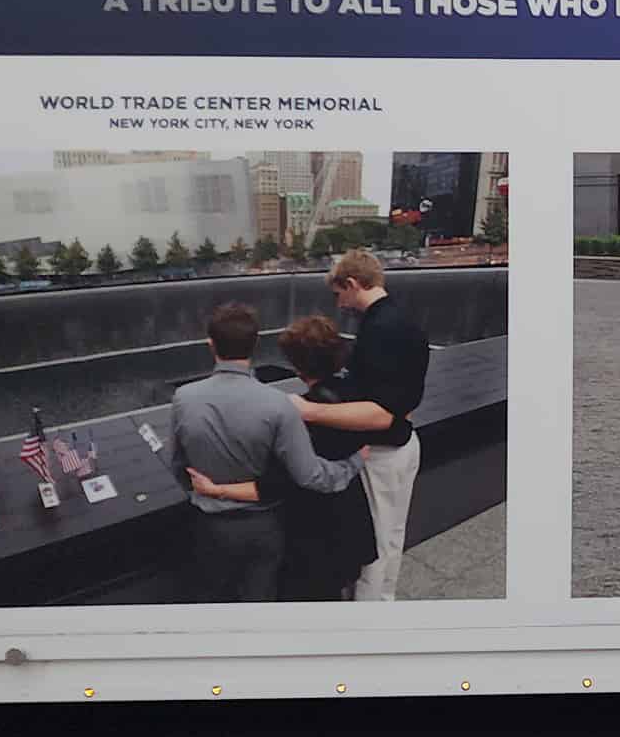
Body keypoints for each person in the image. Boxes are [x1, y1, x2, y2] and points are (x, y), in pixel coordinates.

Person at [168, 302, 365, 602]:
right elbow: (311, 476)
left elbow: (178, 464)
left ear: (211, 345)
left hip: (209, 527)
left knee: (211, 605)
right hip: (266, 527)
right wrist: (353, 463)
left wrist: (203, 494)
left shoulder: (183, 398)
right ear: (255, 343)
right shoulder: (278, 405)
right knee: (260, 606)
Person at [293, 250, 430, 600]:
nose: (339, 304)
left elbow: (381, 413)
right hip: (405, 445)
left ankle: (366, 624)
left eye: (339, 294)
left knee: (373, 549)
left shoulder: (380, 330)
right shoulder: (402, 318)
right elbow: (402, 400)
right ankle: (385, 606)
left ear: (352, 284)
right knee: (392, 538)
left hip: (383, 455)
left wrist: (306, 411)